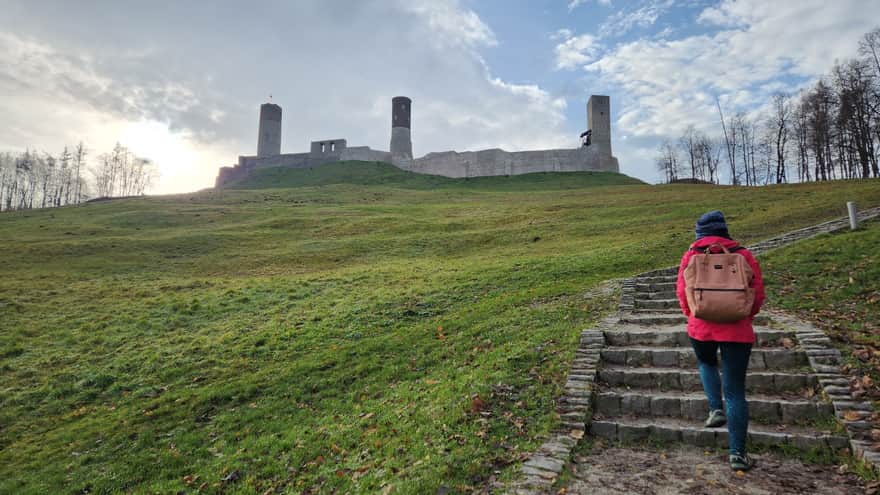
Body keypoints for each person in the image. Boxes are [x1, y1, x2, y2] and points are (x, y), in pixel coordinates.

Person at [675, 210, 765, 471]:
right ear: (724, 229)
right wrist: (745, 313)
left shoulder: (691, 255)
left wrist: (692, 313)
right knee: (736, 391)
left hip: (701, 326)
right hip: (737, 329)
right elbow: (757, 292)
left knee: (706, 363)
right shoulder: (743, 254)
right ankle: (737, 454)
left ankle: (715, 409)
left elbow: (681, 290)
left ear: (699, 232)